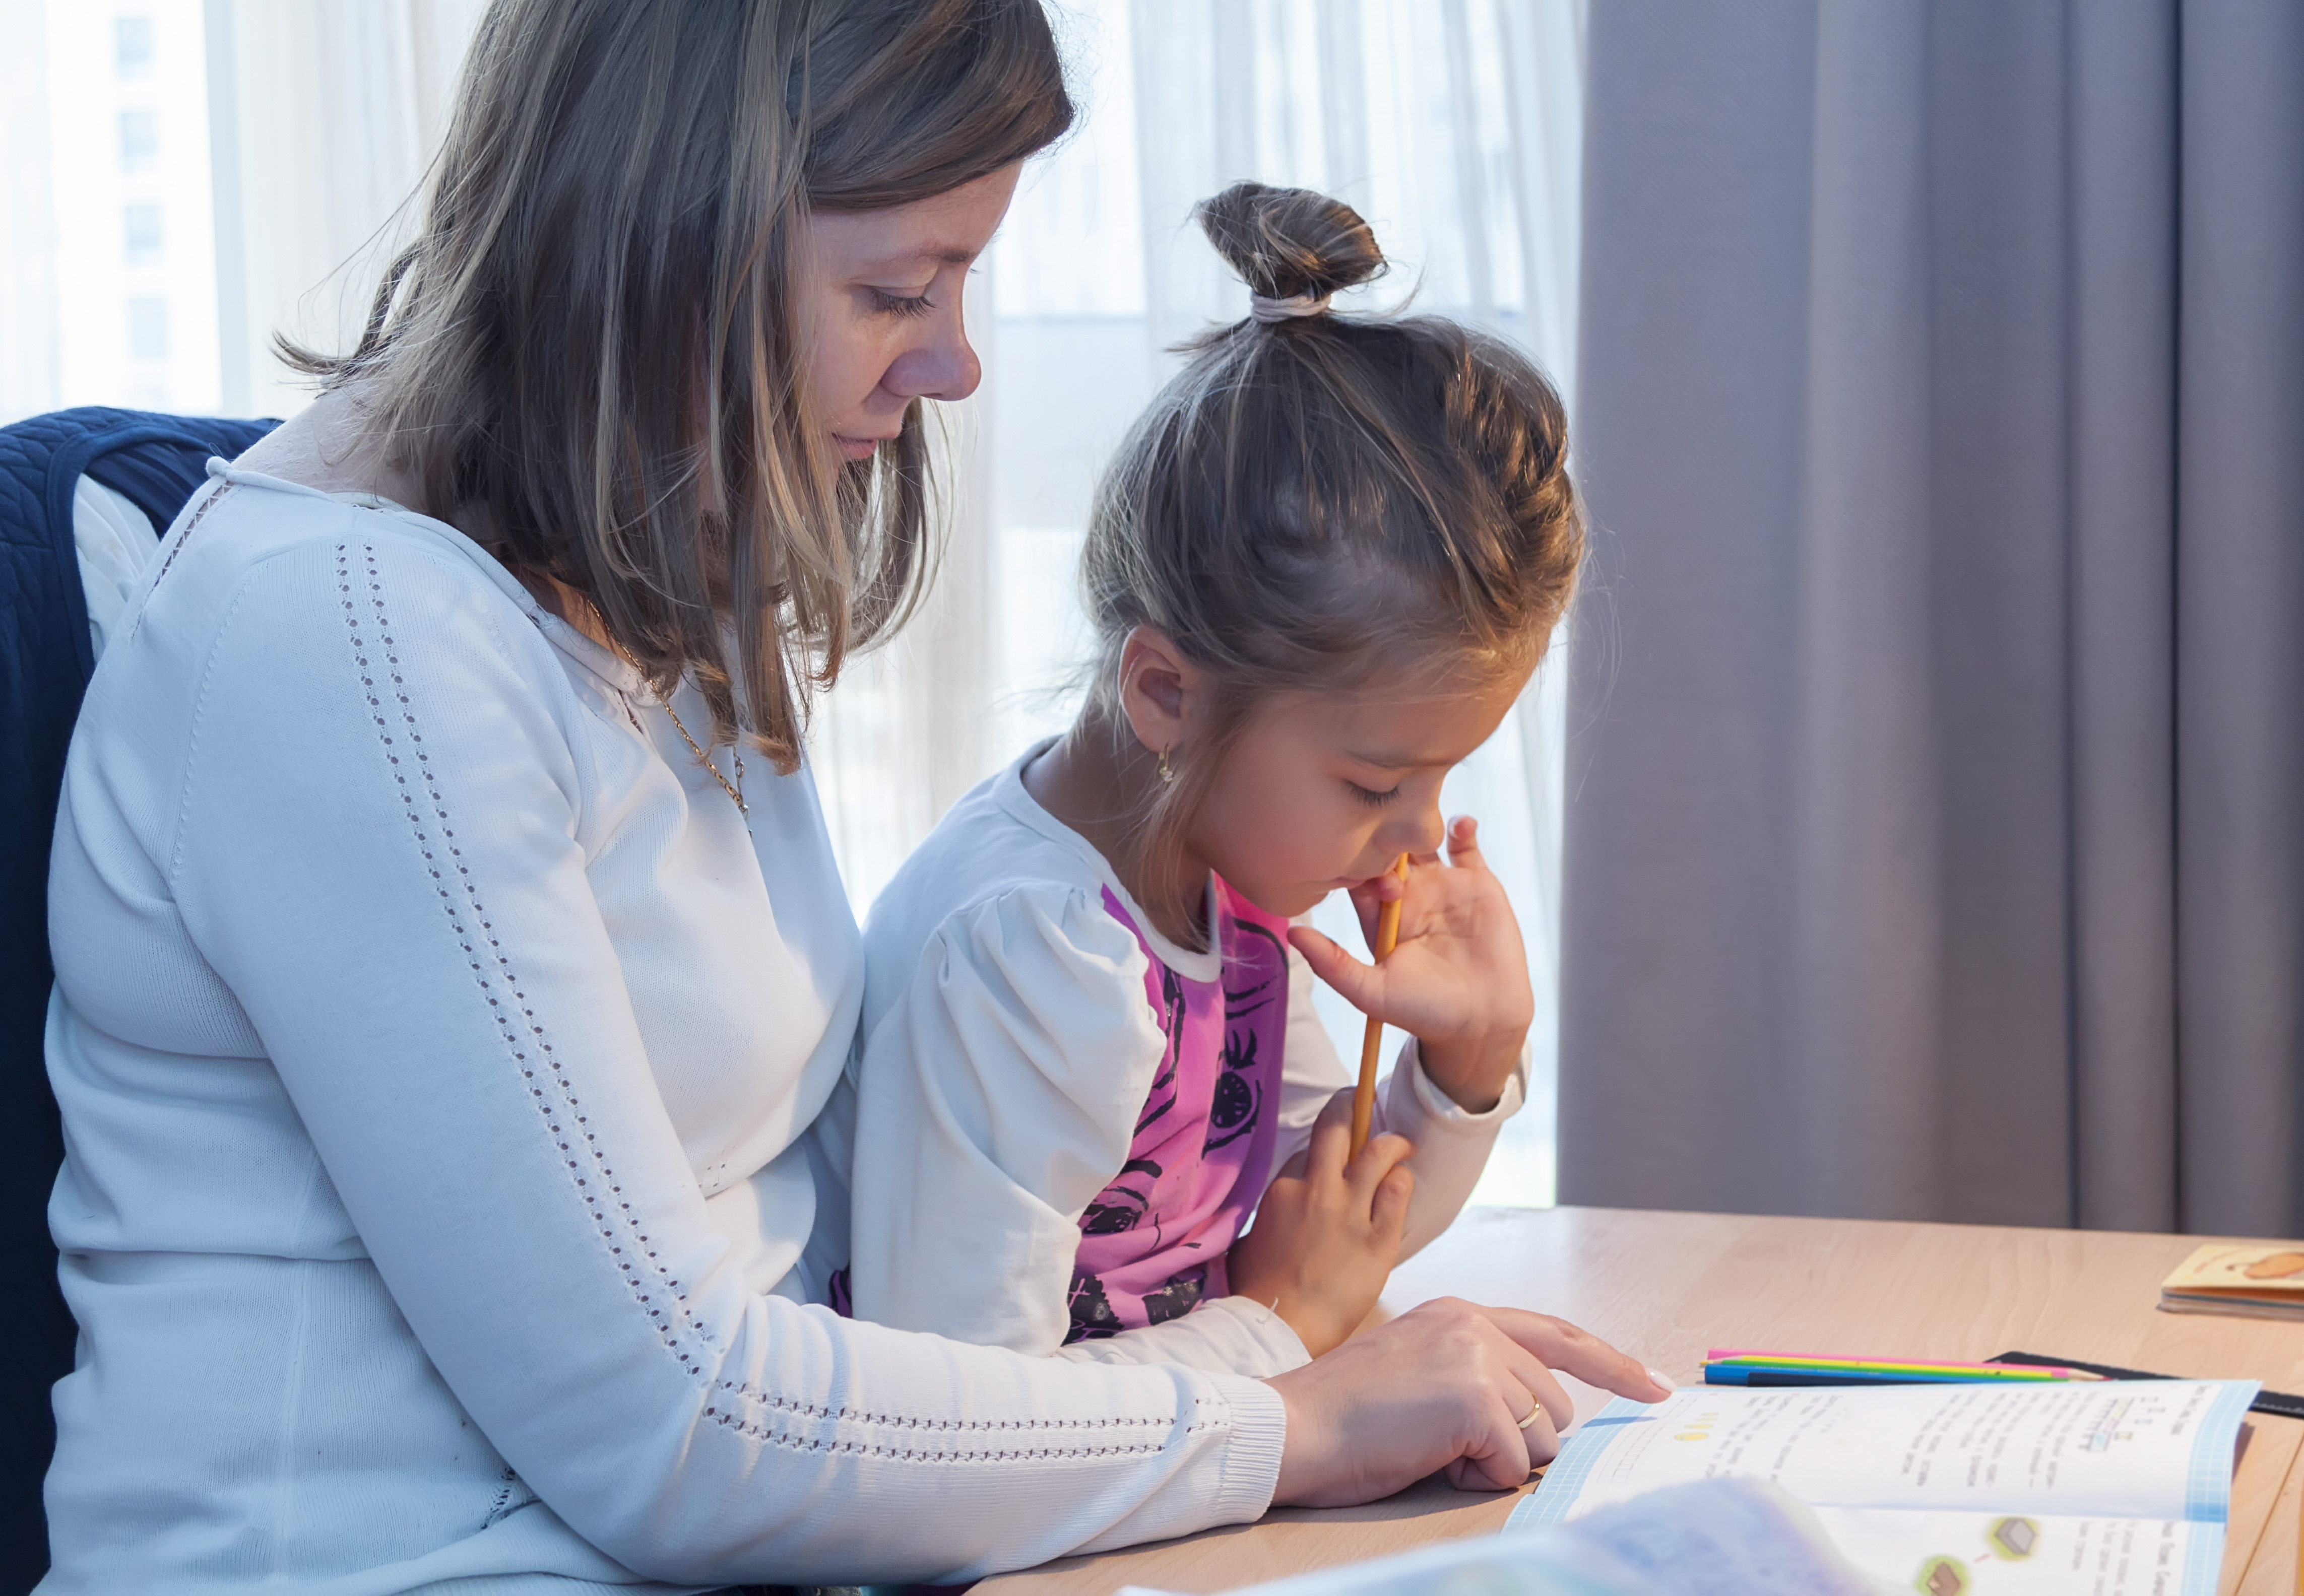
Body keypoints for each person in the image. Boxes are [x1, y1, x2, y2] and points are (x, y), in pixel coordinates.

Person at [37, 4, 1667, 1592]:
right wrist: (1280, 1389)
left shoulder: (646, 571)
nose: (953, 364)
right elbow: (673, 1426)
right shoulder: (345, 643)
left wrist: (1316, 1333)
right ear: (667, 239)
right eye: (901, 289)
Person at [837, 181, 1580, 1379]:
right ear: (1167, 694)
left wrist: (1465, 1067)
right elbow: (958, 1417)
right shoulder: (1035, 958)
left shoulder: (1217, 888)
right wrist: (1276, 1331)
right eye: (1373, 781)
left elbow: (1324, 1236)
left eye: (1440, 776)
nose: (1421, 831)